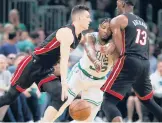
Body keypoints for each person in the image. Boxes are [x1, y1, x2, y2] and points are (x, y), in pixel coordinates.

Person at [0, 5, 91, 122]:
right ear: (79, 18)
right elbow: (64, 59)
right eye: (87, 17)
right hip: (32, 65)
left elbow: (58, 60)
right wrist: (64, 82)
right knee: (9, 97)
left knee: (61, 96)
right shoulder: (66, 33)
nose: (90, 20)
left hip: (45, 69)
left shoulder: (79, 37)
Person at [100, 0, 162, 122]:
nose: (116, 5)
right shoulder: (142, 23)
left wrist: (110, 49)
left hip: (129, 61)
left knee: (108, 102)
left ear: (122, 3)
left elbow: (121, 50)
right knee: (148, 100)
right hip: (144, 62)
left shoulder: (118, 20)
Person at [51, 18, 118, 122]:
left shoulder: (116, 45)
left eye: (109, 29)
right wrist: (96, 61)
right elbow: (89, 49)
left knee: (87, 117)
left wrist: (114, 55)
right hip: (80, 74)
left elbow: (117, 62)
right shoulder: (90, 36)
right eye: (103, 27)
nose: (105, 31)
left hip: (98, 82)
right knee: (63, 102)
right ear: (99, 27)